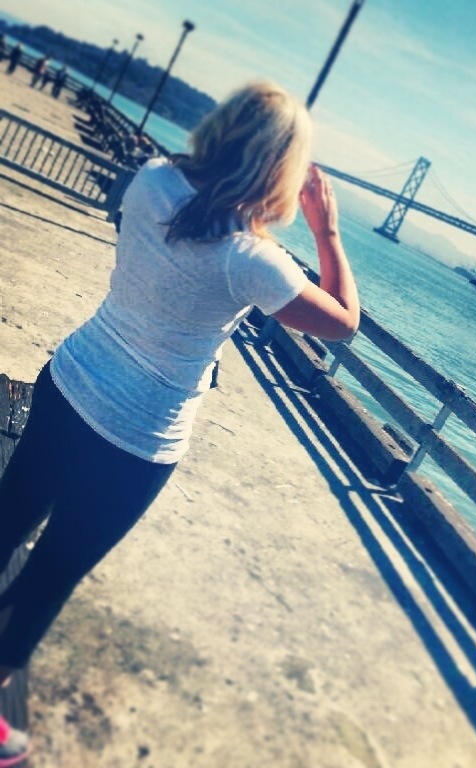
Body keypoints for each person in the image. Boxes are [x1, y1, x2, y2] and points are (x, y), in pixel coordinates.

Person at [0, 80, 359, 762]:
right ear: (281, 170)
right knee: (53, 571)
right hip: (134, 443)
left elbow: (180, 233)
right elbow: (343, 322)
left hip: (70, 383)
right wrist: (327, 231)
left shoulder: (152, 179)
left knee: (5, 520)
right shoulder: (252, 261)